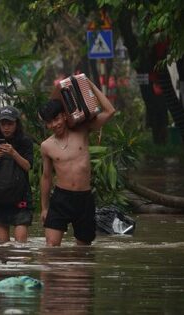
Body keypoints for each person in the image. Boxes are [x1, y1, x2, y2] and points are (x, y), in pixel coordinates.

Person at [39, 79, 116, 246]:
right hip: (60, 198)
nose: (54, 124)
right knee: (51, 247)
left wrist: (90, 84)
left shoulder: (82, 130)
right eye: (50, 122)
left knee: (83, 250)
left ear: (65, 116)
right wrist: (44, 208)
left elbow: (110, 111)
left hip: (84, 198)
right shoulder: (46, 146)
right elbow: (46, 178)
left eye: (57, 119)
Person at [0, 106, 34, 243]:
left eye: (10, 124)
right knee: (3, 247)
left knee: (20, 245)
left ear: (16, 124)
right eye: (3, 124)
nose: (6, 128)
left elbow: (28, 166)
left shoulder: (25, 142)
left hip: (20, 197)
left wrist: (14, 153)